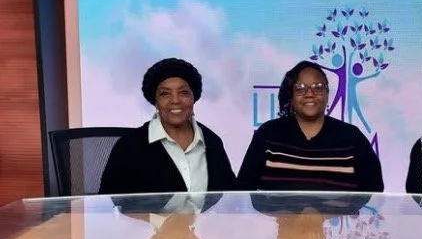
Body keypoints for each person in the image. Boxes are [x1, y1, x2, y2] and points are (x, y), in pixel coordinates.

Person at [236, 60, 384, 191]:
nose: (310, 94)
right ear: (291, 96)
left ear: (327, 94)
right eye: (300, 88)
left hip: (337, 223)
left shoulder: (352, 138)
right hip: (277, 222)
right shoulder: (268, 135)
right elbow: (243, 190)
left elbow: (373, 194)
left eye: (318, 87)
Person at [99, 58, 237, 194]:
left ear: (193, 98)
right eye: (165, 94)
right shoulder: (128, 147)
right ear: (155, 102)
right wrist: (157, 218)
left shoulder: (212, 142)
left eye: (183, 93)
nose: (175, 100)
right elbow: (109, 204)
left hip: (207, 217)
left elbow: (231, 200)